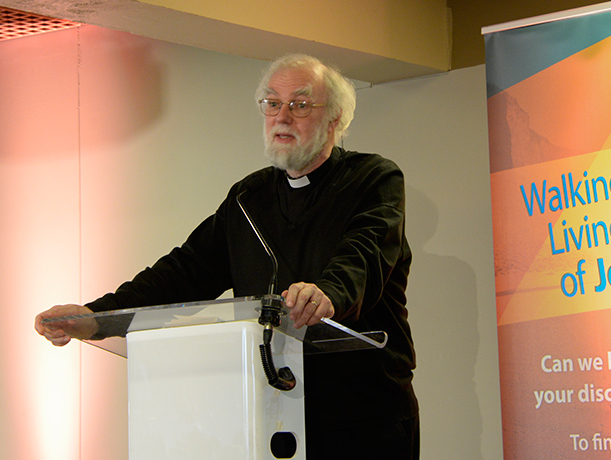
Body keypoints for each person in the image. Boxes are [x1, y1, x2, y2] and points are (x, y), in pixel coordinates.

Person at [34, 53, 419, 459]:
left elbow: (365, 254)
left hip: (363, 419)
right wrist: (97, 317)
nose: (282, 116)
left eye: (300, 104)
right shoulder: (248, 198)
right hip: (272, 416)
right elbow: (184, 271)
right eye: (272, 104)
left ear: (335, 119)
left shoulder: (374, 178)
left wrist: (328, 293)